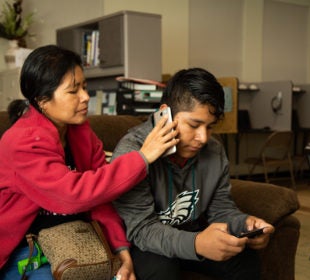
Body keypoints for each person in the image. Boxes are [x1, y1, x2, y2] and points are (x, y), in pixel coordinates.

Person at [0, 45, 178, 280]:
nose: (85, 97)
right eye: (73, 91)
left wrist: (121, 251)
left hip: (79, 240)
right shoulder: (22, 142)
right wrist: (142, 158)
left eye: (84, 87)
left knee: (154, 266)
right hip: (25, 249)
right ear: (42, 100)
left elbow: (101, 201)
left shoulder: (81, 133)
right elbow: (72, 195)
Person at [111, 67, 275, 280]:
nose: (203, 138)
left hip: (192, 232)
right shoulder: (133, 152)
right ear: (165, 114)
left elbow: (221, 209)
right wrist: (197, 243)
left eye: (210, 127)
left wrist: (244, 224)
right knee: (161, 269)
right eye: (194, 125)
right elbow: (142, 229)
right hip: (145, 244)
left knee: (244, 260)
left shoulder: (213, 150)